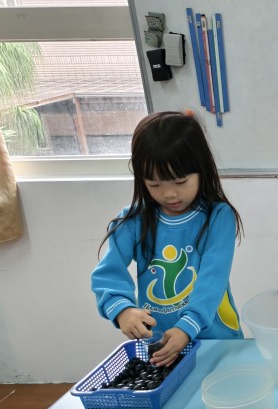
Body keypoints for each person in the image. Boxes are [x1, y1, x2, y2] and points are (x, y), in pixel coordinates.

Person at [92, 110, 244, 366]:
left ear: (202, 169)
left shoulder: (218, 216)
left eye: (180, 182)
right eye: (155, 185)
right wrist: (122, 309)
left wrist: (188, 326)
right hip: (163, 345)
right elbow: (108, 274)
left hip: (215, 339)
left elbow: (212, 278)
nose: (169, 194)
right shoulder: (133, 220)